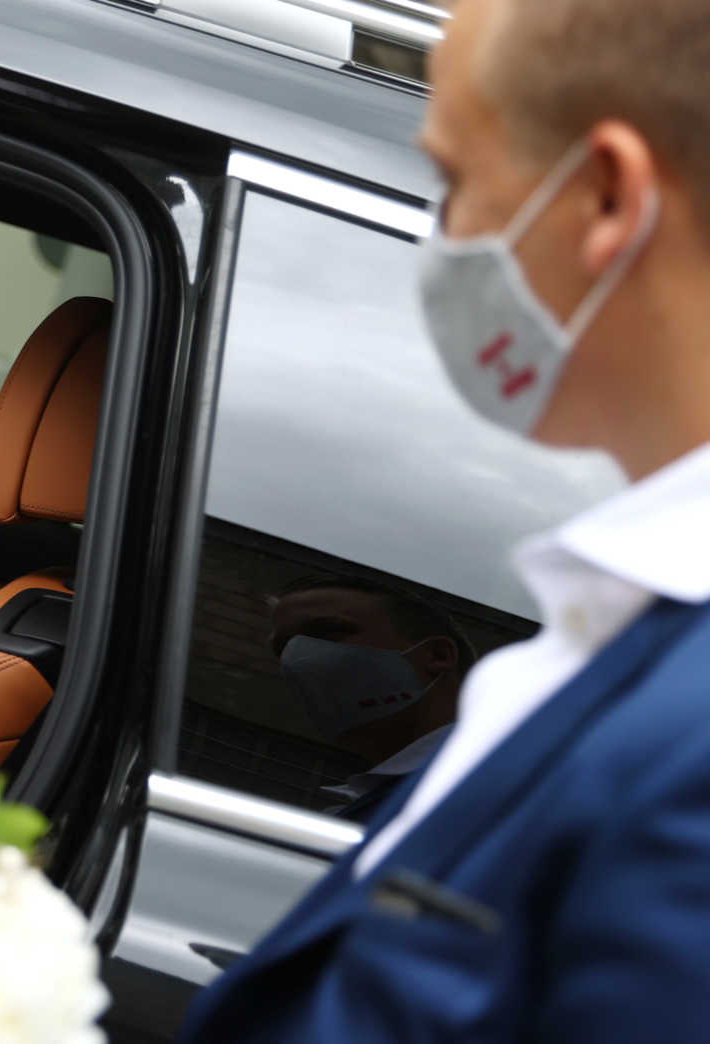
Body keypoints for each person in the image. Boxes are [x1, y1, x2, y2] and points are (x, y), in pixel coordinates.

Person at [179, 0, 710, 1039]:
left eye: (455, 181)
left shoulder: (687, 738)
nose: (444, 238)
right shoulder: (606, 635)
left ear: (606, 197)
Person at [269, 576, 474, 821]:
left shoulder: (485, 786)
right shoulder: (366, 802)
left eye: (327, 632)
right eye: (282, 649)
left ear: (437, 655)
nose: (295, 658)